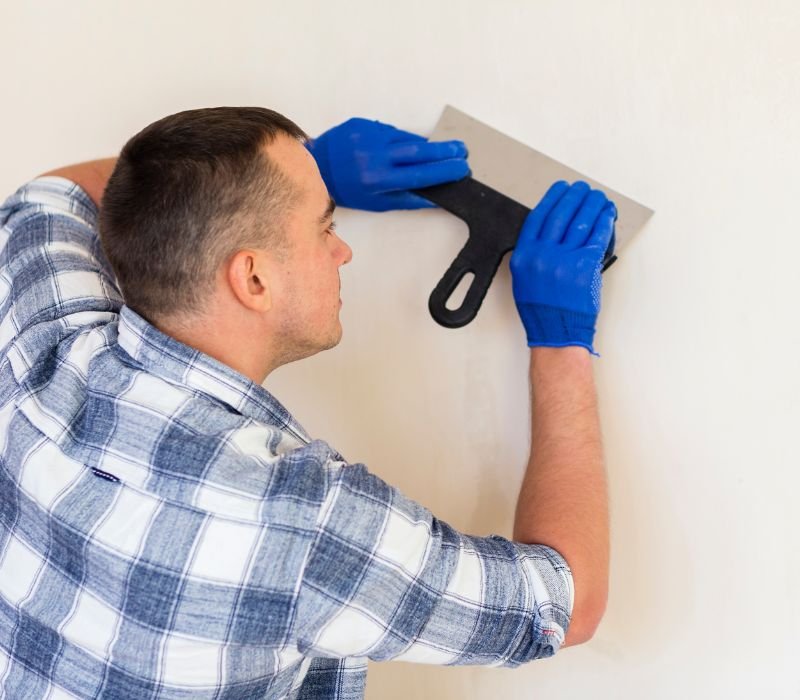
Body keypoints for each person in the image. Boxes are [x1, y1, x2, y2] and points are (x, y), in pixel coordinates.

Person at [0, 107, 613, 699]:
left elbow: (51, 194)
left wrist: (302, 168)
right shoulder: (302, 521)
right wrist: (560, 343)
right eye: (325, 226)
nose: (342, 251)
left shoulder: (46, 342)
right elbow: (565, 602)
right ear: (254, 280)